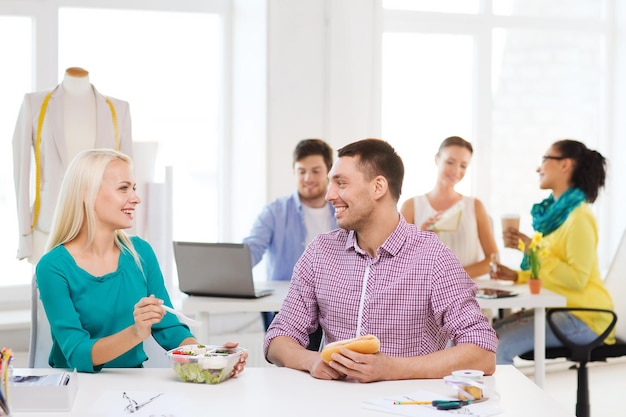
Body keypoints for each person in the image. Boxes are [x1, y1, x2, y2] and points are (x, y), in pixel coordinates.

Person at [264, 138, 497, 382]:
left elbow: (482, 352)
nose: (329, 195)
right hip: (333, 403)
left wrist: (392, 369)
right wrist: (312, 360)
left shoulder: (433, 258)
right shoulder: (320, 252)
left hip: (407, 405)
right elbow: (278, 338)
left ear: (378, 187)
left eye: (341, 183)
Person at [36, 149, 247, 373]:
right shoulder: (53, 267)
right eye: (123, 188)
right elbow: (77, 353)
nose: (136, 198)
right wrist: (136, 332)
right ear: (87, 194)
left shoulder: (140, 253)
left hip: (132, 383)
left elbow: (169, 328)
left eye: (133, 188)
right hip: (76, 387)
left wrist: (210, 358)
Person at [490, 139, 615, 365]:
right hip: (558, 311)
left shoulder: (580, 217)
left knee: (497, 347)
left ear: (565, 165)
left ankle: (506, 401)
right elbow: (552, 272)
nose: (539, 168)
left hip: (584, 317)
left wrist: (534, 252)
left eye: (545, 159)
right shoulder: (555, 219)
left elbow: (576, 279)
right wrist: (518, 275)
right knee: (483, 337)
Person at [13, 67, 134, 264]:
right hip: (47, 231)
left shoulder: (118, 110)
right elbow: (21, 171)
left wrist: (128, 240)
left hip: (101, 235)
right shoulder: (34, 105)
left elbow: (127, 180)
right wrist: (24, 236)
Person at [243, 139, 337, 338]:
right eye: (301, 171)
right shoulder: (275, 211)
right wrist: (228, 268)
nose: (308, 178)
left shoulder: (343, 211)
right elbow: (252, 249)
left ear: (329, 171)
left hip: (334, 304)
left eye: (315, 171)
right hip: (286, 305)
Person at [400, 136, 498, 278]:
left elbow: (493, 259)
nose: (456, 170)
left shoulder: (475, 206)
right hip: (426, 294)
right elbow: (399, 261)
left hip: (467, 291)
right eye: (450, 162)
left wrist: (451, 276)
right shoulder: (411, 206)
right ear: (437, 159)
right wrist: (420, 237)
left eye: (463, 165)